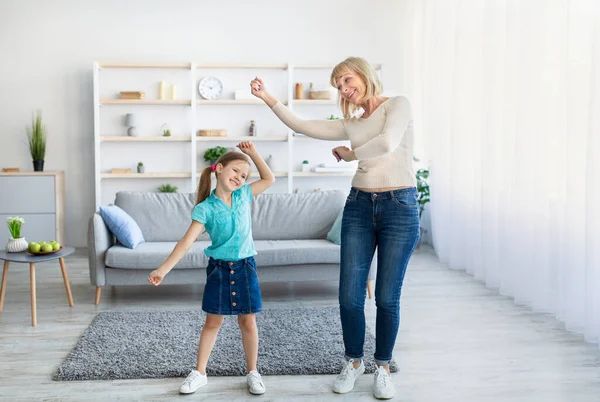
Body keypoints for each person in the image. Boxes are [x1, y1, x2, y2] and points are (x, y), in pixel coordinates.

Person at [250, 57, 419, 400]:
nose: (343, 89)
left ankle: (383, 367)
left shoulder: (398, 105)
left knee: (387, 297)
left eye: (345, 80)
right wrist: (268, 98)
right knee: (348, 296)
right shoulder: (351, 122)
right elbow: (302, 125)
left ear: (363, 73)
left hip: (400, 208)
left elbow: (386, 143)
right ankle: (353, 362)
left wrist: (350, 151)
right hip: (359, 207)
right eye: (339, 86)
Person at [148, 141, 275, 396]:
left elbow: (269, 178)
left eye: (244, 175)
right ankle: (200, 373)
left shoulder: (243, 196)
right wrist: (163, 269)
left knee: (248, 322)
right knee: (212, 323)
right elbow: (185, 242)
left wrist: (252, 154)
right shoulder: (204, 208)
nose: (239, 177)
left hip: (246, 267)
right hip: (219, 270)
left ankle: (253, 372)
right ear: (218, 169)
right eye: (236, 171)